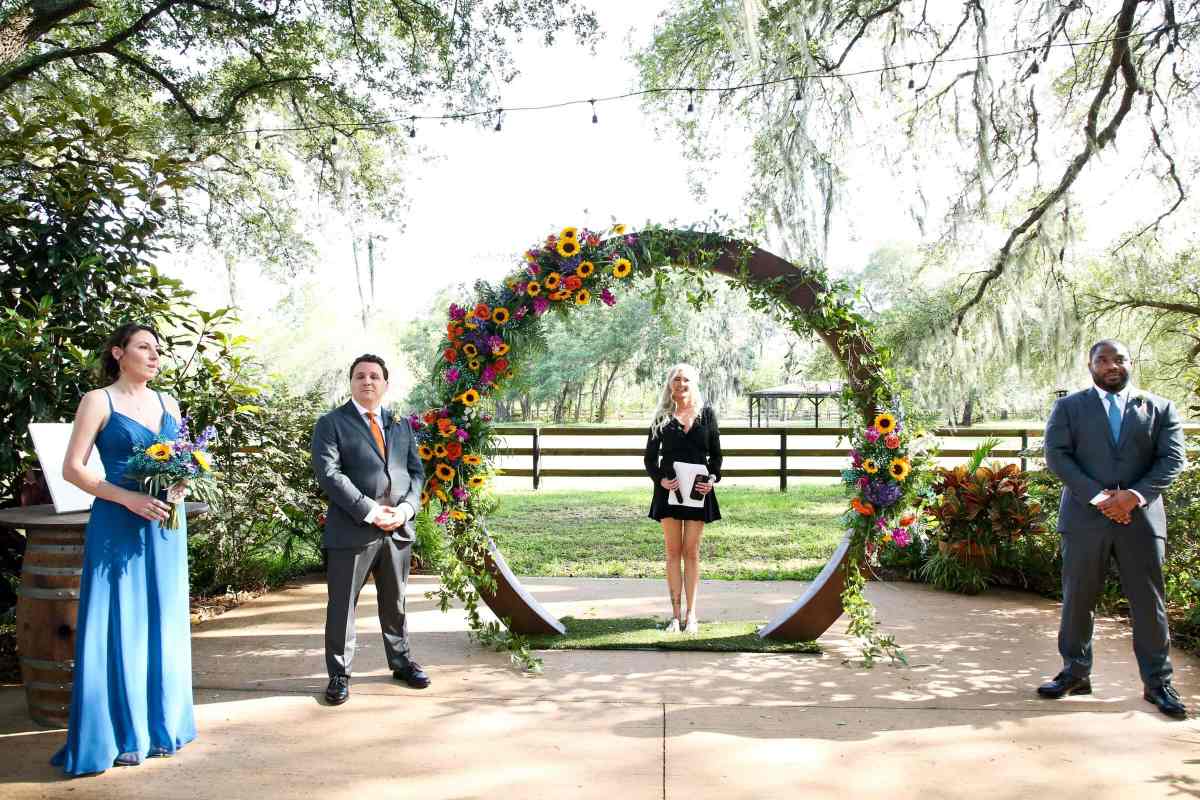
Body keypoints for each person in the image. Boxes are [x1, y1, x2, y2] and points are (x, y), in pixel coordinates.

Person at [53, 323, 196, 774]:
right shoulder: (99, 401)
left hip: (166, 525)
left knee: (163, 618)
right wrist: (127, 498)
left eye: (158, 349)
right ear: (118, 353)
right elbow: (72, 469)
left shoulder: (168, 402)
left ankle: (162, 726)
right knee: (119, 619)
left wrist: (180, 485)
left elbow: (182, 462)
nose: (154, 356)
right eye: (143, 347)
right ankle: (121, 732)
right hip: (118, 522)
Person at [1038, 339, 1188, 718]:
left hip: (1141, 519)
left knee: (1148, 602)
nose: (1111, 366)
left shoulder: (1160, 408)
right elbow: (1057, 455)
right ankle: (1075, 673)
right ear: (1090, 366)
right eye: (1102, 360)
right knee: (1078, 598)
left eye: (1118, 359)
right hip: (1084, 519)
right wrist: (1100, 498)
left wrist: (1132, 497)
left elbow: (1172, 459)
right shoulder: (1069, 408)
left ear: (1129, 362)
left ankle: (1157, 682)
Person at [311, 354, 427, 705]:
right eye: (360, 376)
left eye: (375, 376)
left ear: (385, 384)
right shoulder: (331, 424)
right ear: (351, 382)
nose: (367, 381)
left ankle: (401, 662)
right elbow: (329, 475)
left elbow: (416, 473)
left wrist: (405, 510)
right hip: (352, 531)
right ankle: (339, 674)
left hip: (397, 531)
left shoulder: (400, 425)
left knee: (395, 602)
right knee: (342, 606)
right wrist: (371, 512)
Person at [643, 363, 723, 634]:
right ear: (670, 384)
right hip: (669, 492)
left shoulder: (707, 415)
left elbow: (717, 456)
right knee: (672, 552)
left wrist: (711, 479)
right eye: (676, 379)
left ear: (693, 383)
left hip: (698, 493)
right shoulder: (661, 417)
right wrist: (661, 480)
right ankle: (675, 617)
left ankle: (692, 615)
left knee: (691, 552)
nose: (681, 383)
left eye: (685, 379)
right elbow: (649, 459)